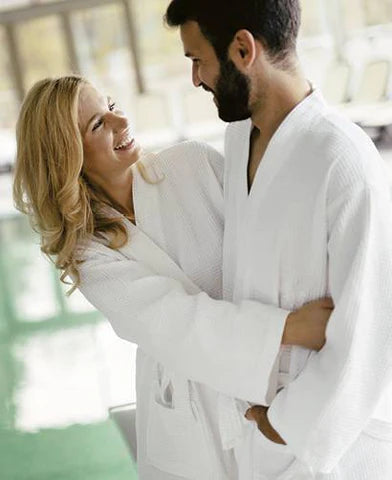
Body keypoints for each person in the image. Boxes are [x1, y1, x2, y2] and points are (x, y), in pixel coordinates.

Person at [13, 75, 331, 480]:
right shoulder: (88, 251)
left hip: (273, 379)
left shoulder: (194, 164)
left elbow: (273, 242)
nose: (121, 123)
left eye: (111, 106)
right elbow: (174, 322)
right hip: (191, 414)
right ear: (67, 156)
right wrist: (288, 328)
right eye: (98, 125)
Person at [165, 0, 392, 479]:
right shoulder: (239, 137)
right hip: (258, 429)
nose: (196, 79)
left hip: (324, 445)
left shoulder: (345, 162)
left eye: (197, 60)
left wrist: (287, 424)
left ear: (243, 49)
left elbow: (372, 327)